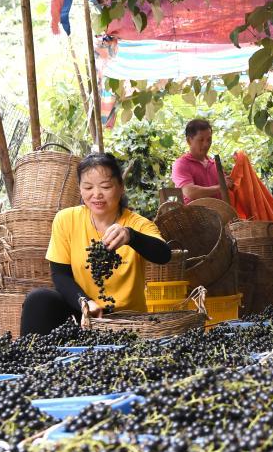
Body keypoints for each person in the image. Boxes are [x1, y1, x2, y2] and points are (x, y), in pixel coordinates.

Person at [20, 153, 172, 335]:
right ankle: (31, 360)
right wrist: (85, 302)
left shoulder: (137, 224)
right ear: (80, 189)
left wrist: (131, 236)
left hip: (126, 320)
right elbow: (60, 275)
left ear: (121, 187)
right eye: (88, 187)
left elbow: (164, 255)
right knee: (38, 300)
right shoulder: (66, 219)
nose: (97, 194)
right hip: (83, 314)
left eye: (106, 186)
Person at [170, 118, 234, 205]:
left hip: (220, 216)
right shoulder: (181, 164)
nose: (206, 144)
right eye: (201, 140)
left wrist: (229, 183)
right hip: (193, 217)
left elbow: (226, 191)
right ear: (189, 141)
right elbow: (190, 191)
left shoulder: (214, 164)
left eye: (209, 139)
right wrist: (221, 187)